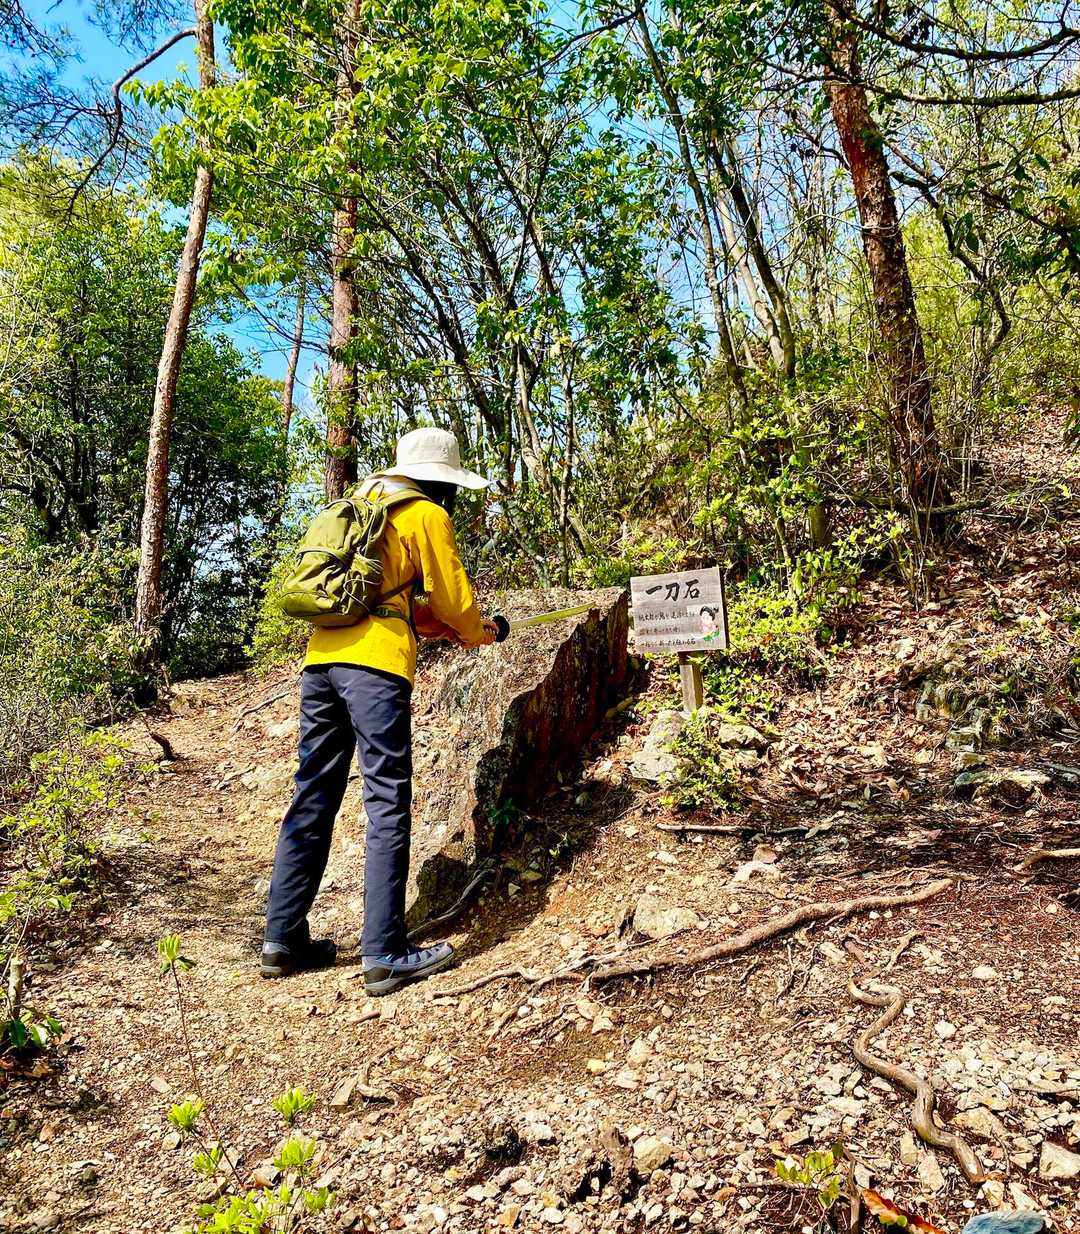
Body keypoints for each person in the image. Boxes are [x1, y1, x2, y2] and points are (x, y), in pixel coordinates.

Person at [260, 428, 500, 995]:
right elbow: (454, 601)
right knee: (387, 799)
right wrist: (479, 632)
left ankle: (282, 938)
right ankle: (385, 953)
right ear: (441, 479)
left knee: (313, 793)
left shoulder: (362, 502)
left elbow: (393, 596)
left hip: (321, 659)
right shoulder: (425, 513)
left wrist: (444, 627)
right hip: (376, 667)